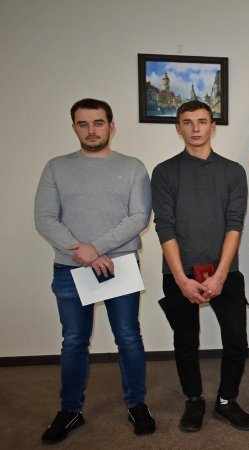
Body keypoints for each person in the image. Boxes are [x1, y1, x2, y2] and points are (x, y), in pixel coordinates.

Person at [35, 98, 155, 443]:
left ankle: (137, 404)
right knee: (74, 340)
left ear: (111, 126)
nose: (91, 130)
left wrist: (96, 248)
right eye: (83, 124)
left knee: (128, 337)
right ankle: (70, 410)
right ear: (74, 127)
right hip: (70, 267)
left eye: (98, 123)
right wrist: (83, 253)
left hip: (120, 264)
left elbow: (139, 217)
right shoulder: (56, 167)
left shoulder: (133, 167)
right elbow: (45, 218)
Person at [151, 101, 249, 432]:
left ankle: (226, 400)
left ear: (213, 127)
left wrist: (221, 276)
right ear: (178, 128)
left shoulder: (232, 171)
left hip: (225, 272)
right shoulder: (164, 172)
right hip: (179, 273)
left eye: (202, 121)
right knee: (186, 341)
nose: (195, 128)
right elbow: (164, 227)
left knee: (236, 340)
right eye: (187, 122)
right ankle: (194, 399)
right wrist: (181, 279)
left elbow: (234, 224)